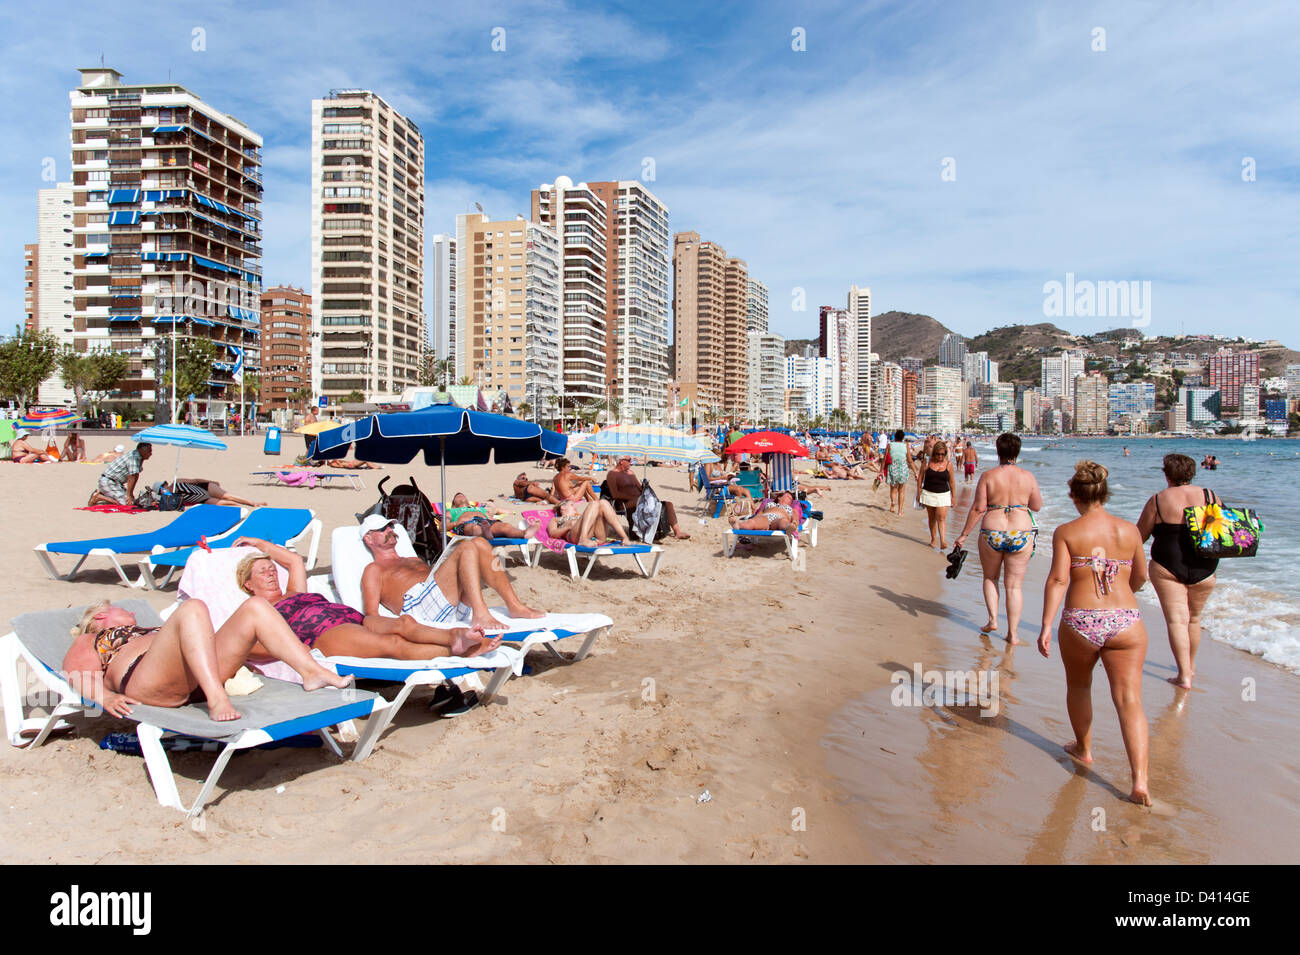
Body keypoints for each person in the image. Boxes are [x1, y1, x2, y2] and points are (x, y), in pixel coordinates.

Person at [1037, 461, 1151, 806]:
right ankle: (1140, 783)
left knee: (1080, 685)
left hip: (1082, 620)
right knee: (1130, 700)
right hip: (1126, 620)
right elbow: (1141, 578)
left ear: (1074, 496)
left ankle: (1084, 749)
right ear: (1104, 492)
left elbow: (1058, 579)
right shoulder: (1129, 531)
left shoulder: (1067, 531)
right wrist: (1120, 592)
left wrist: (1045, 624)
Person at [62, 597, 352, 722]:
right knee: (192, 608)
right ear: (101, 616)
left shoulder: (149, 629)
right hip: (146, 681)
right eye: (125, 610)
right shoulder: (92, 639)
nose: (134, 614)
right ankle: (217, 699)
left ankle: (310, 671)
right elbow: (76, 671)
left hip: (194, 676)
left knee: (255, 607)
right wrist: (104, 698)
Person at [234, 538, 500, 658]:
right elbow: (247, 645)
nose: (270, 573)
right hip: (323, 632)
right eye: (262, 571)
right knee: (393, 644)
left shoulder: (294, 592)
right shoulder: (256, 608)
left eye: (271, 569)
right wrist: (291, 650)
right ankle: (458, 654)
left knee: (404, 624)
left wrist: (260, 545)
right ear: (248, 583)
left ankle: (455, 637)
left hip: (352, 615)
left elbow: (293, 561)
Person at [360, 515, 543, 632]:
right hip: (420, 612)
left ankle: (514, 605)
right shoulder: (373, 570)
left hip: (447, 605)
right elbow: (371, 614)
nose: (391, 530)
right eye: (383, 529)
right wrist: (402, 631)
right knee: (466, 547)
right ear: (368, 538)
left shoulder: (412, 559)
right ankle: (480, 613)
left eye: (391, 527)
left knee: (480, 544)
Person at [1135, 453, 1219, 689]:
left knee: (1176, 621)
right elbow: (1224, 529)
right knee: (1194, 618)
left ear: (1167, 473)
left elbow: (1139, 536)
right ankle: (1190, 667)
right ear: (1192, 472)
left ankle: (1183, 675)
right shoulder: (1210, 496)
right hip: (1205, 566)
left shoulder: (1159, 499)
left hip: (1167, 565)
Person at [954, 433, 1044, 644]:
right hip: (1021, 532)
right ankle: (1013, 633)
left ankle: (993, 620)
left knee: (990, 578)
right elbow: (1037, 506)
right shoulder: (1028, 476)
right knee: (1013, 586)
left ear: (998, 451)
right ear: (1018, 452)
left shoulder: (988, 476)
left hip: (992, 530)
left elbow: (978, 508)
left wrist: (964, 534)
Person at [604, 457, 691, 539]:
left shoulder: (631, 473)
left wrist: (645, 488)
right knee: (640, 501)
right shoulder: (612, 474)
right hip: (625, 503)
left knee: (668, 504)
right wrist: (632, 497)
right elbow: (615, 494)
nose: (631, 462)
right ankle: (647, 529)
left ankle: (677, 532)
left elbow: (640, 489)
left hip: (640, 499)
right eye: (629, 460)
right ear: (621, 461)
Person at [446, 492, 538, 540]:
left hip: (487, 522)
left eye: (463, 495)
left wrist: (509, 512)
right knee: (475, 528)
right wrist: (455, 523)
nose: (461, 496)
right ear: (454, 503)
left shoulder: (478, 508)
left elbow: (500, 510)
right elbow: (442, 527)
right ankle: (485, 534)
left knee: (505, 526)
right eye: (458, 496)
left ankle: (524, 533)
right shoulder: (451, 511)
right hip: (467, 523)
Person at [919, 440, 957, 549]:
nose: (940, 456)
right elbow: (920, 477)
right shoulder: (927, 462)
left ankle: (943, 541)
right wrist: (919, 492)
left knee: (941, 517)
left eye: (942, 454)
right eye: (938, 454)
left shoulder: (949, 464)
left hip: (943, 494)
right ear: (934, 453)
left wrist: (953, 497)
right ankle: (933, 539)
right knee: (932, 518)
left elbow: (952, 482)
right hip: (928, 493)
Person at [547, 499, 635, 546]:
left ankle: (624, 537)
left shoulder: (583, 515)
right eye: (572, 504)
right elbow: (552, 534)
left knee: (603, 502)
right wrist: (568, 527)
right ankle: (583, 539)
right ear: (563, 507)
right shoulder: (556, 519)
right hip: (574, 536)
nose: (575, 507)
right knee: (594, 504)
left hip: (597, 537)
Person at [87, 442, 152, 506]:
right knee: (125, 503)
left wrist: (130, 494)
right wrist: (129, 494)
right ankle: (98, 497)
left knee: (132, 501)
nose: (150, 454)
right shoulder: (133, 458)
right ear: (141, 450)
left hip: (116, 483)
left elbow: (135, 476)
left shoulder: (138, 457)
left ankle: (104, 493)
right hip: (108, 481)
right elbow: (132, 477)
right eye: (148, 451)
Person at [727, 491, 801, 535]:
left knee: (783, 522)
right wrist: (756, 518)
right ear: (779, 498)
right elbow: (760, 513)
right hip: (766, 516)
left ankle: (789, 528)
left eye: (791, 499)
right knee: (752, 522)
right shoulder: (770, 504)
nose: (790, 498)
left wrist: (794, 521)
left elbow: (795, 515)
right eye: (787, 496)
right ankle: (737, 525)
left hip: (781, 517)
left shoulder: (791, 508)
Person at [158, 478, 267, 508]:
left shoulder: (177, 481)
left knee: (227, 496)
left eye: (163, 488)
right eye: (161, 491)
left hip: (204, 488)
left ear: (165, 484)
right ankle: (243, 509)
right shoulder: (172, 498)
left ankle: (252, 503)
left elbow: (195, 481)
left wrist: (210, 482)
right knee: (223, 503)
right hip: (202, 499)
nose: (164, 490)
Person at [884, 430, 912, 516]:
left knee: (893, 488)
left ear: (895, 437)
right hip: (903, 469)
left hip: (893, 468)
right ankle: (900, 512)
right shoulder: (906, 446)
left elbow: (885, 459)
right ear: (903, 438)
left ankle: (892, 503)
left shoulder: (890, 445)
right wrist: (915, 471)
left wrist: (881, 470)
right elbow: (910, 460)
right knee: (902, 491)